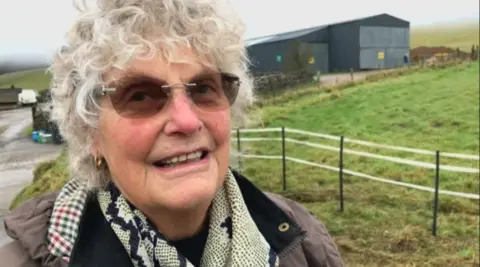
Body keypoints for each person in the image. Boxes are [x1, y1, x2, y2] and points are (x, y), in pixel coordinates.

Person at [0, 0, 345, 266]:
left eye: (204, 88)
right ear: (90, 133)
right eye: (140, 96)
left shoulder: (303, 241)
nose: (186, 121)